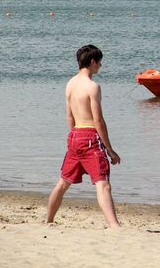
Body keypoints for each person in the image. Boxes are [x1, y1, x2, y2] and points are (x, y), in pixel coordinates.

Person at [46, 45, 121, 228]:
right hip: (90, 137)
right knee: (102, 183)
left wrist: (73, 135)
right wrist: (110, 150)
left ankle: (48, 220)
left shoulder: (70, 84)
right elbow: (98, 121)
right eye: (100, 62)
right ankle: (114, 225)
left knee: (63, 182)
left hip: (75, 135)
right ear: (92, 62)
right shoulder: (93, 87)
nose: (100, 66)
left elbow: (69, 116)